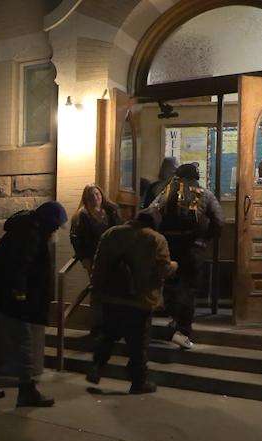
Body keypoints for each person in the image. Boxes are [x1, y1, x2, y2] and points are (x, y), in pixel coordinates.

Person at [0, 201, 68, 408]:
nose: (55, 231)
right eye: (55, 226)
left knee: (5, 345)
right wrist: (21, 297)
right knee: (24, 343)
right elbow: (20, 268)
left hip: (4, 298)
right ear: (48, 222)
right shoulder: (31, 234)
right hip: (12, 301)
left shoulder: (27, 229)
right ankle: (27, 390)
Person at [86, 208, 178, 394]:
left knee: (108, 335)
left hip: (111, 296)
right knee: (139, 344)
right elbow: (163, 270)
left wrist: (96, 290)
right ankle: (139, 381)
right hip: (140, 300)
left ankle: (97, 367)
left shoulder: (111, 233)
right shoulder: (156, 239)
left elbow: (99, 265)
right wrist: (175, 266)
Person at [150, 163, 224, 350]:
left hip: (168, 246)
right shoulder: (205, 194)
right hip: (192, 247)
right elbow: (219, 221)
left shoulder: (167, 192)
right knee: (188, 288)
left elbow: (151, 212)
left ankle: (174, 321)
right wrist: (204, 239)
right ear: (196, 176)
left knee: (170, 284)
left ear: (178, 176)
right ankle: (182, 332)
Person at [70, 184, 122, 275]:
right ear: (86, 199)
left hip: (114, 255)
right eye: (91, 195)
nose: (95, 197)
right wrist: (83, 258)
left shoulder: (111, 211)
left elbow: (120, 231)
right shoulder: (82, 216)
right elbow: (76, 239)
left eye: (97, 194)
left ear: (101, 194)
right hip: (94, 256)